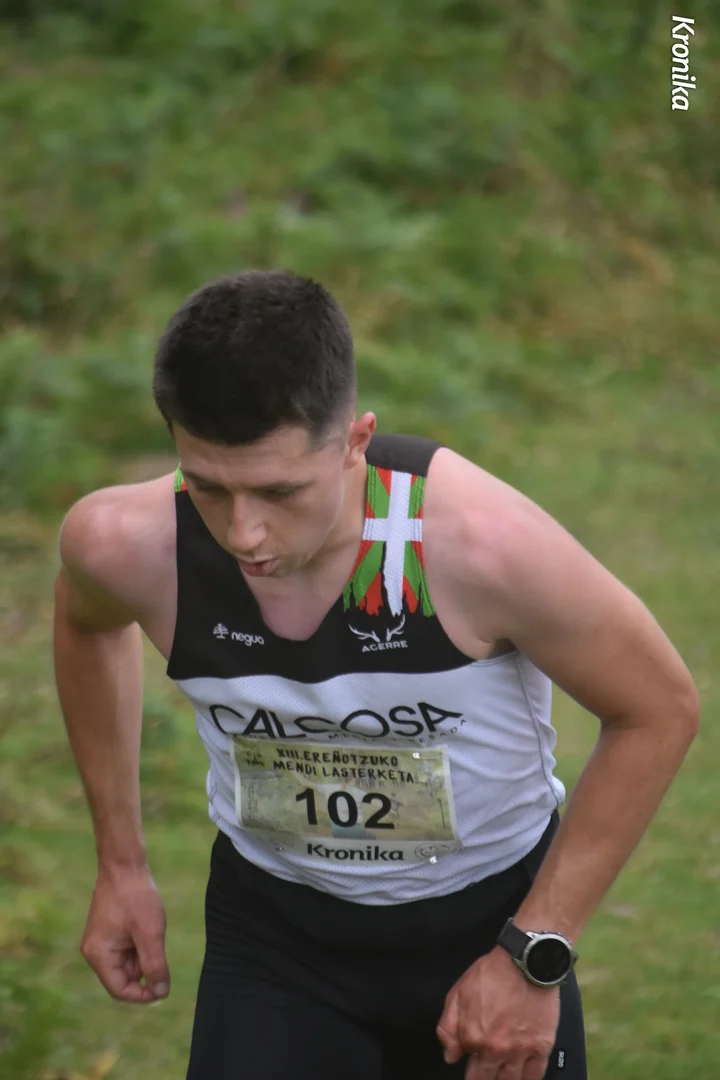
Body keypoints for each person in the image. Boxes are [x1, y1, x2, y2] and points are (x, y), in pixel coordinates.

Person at [53, 269, 700, 1080]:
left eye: (279, 491)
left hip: (489, 920)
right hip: (274, 934)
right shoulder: (124, 543)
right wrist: (120, 863)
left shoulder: (483, 545)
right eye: (209, 487)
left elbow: (658, 709)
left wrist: (536, 949)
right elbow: (86, 624)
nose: (244, 532)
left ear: (355, 440)